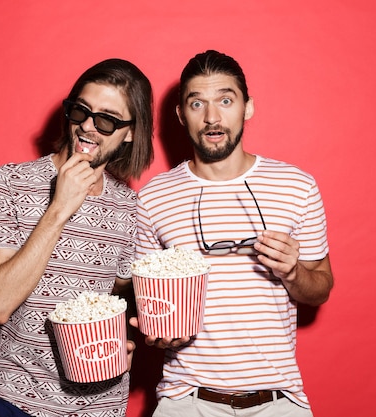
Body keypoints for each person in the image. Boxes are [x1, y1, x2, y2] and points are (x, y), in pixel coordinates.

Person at [133, 50, 334, 416]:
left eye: (226, 100)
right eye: (197, 104)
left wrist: (293, 272)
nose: (212, 117)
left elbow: (320, 288)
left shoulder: (296, 186)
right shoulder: (153, 199)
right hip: (185, 400)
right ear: (181, 115)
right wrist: (157, 332)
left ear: (248, 107)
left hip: (277, 400)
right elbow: (147, 303)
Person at [0, 58, 154, 417]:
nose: (88, 126)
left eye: (106, 120)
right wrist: (59, 208)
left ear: (131, 132)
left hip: (102, 406)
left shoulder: (130, 206)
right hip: (19, 402)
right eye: (80, 111)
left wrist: (125, 339)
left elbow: (118, 295)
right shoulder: (9, 183)